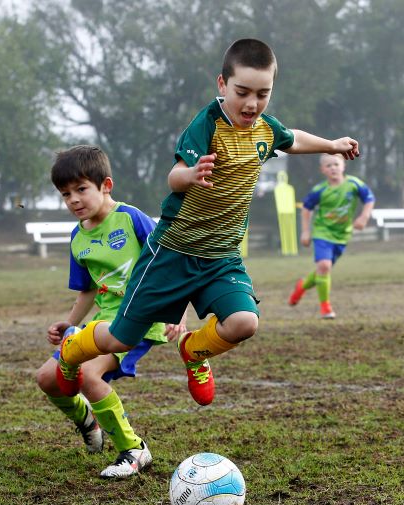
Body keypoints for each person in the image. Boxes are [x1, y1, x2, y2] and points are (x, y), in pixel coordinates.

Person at [55, 38, 362, 406]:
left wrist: (332, 144)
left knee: (244, 323)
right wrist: (192, 175)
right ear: (222, 85)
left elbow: (292, 139)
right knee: (121, 338)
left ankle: (194, 350)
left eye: (262, 94)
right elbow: (174, 176)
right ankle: (74, 347)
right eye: (242, 92)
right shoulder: (208, 124)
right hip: (171, 253)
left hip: (220, 257)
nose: (252, 103)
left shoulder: (265, 128)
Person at [36, 145, 186, 479]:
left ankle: (134, 449)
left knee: (88, 375)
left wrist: (178, 313)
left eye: (81, 189)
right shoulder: (78, 238)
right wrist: (69, 324)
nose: (73, 199)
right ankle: (88, 422)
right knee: (47, 379)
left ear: (106, 185)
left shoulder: (131, 219)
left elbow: (169, 262)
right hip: (101, 322)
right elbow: (88, 289)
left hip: (140, 320)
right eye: (65, 194)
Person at [288, 153, 375, 318]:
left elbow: (369, 198)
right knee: (325, 267)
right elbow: (306, 208)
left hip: (342, 235)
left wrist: (364, 217)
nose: (333, 168)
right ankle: (325, 307)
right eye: (328, 165)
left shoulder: (354, 184)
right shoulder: (320, 190)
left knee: (323, 270)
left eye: (336, 164)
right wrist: (306, 231)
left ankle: (302, 286)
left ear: (343, 166)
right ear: (322, 170)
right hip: (322, 232)